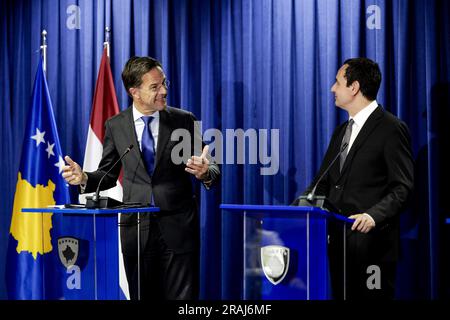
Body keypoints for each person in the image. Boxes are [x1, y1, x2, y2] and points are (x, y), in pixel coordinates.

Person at [62, 56, 220, 300]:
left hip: (178, 229)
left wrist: (205, 172)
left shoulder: (183, 120)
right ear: (134, 91)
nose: (164, 91)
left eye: (164, 83)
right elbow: (108, 174)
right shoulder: (116, 125)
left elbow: (212, 167)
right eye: (155, 87)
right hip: (136, 231)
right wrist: (84, 178)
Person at [301, 58, 414, 300]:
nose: (332, 88)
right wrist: (292, 214)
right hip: (339, 247)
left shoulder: (391, 128)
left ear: (354, 87)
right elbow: (322, 183)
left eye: (338, 82)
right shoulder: (342, 131)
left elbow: (402, 187)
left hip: (373, 249)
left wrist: (373, 215)